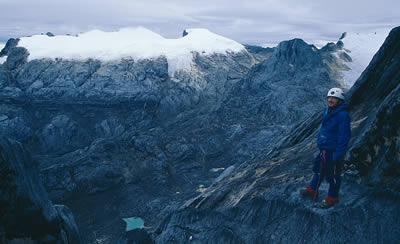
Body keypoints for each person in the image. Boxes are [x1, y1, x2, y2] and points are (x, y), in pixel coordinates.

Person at [300, 88, 351, 208]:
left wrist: (338, 155)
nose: (331, 100)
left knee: (332, 175)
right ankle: (313, 189)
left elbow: (344, 136)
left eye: (334, 98)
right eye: (329, 97)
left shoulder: (343, 115)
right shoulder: (328, 111)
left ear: (340, 101)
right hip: (324, 149)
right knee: (318, 169)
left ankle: (333, 198)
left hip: (333, 151)